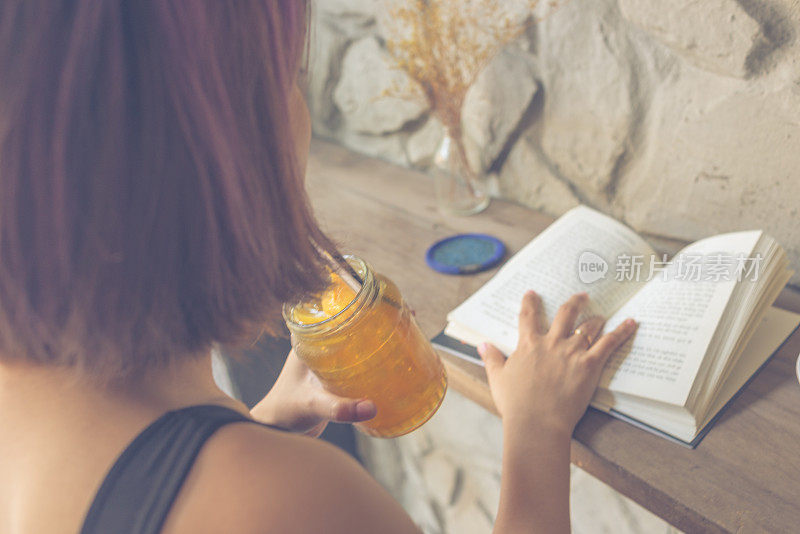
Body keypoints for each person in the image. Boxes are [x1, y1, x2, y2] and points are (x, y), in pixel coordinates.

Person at [0, 2, 637, 533]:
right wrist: (536, 426)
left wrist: (250, 430)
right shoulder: (291, 502)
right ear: (225, 162)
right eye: (289, 79)